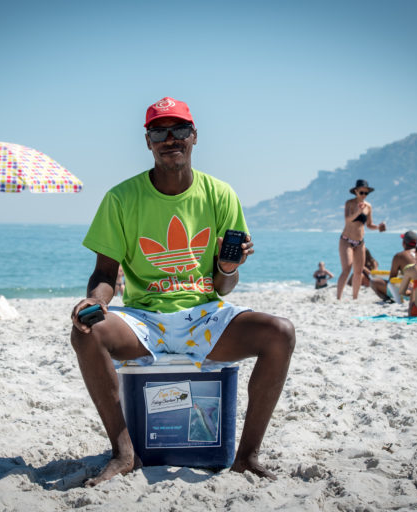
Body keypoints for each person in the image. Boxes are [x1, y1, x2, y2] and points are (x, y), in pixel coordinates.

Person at [70, 97, 296, 486]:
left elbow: (223, 287)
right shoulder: (121, 198)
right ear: (148, 141)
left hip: (205, 316)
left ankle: (246, 458)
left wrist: (227, 267)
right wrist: (96, 302)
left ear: (194, 136)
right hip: (145, 319)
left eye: (179, 130)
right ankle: (124, 453)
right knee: (86, 332)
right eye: (159, 131)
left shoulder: (220, 194)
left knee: (281, 332)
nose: (170, 138)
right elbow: (105, 274)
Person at [336, 179, 386, 300]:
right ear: (356, 191)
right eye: (361, 192)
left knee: (358, 271)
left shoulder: (368, 206)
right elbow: (348, 219)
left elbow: (369, 225)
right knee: (346, 269)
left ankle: (355, 298)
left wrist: (379, 227)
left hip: (360, 242)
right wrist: (358, 211)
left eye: (366, 193)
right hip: (346, 240)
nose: (363, 195)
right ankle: (338, 298)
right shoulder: (349, 203)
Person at [370, 231, 417, 301]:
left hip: (407, 293)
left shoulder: (400, 256)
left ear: (403, 243)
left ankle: (388, 300)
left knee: (374, 282)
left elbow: (392, 278)